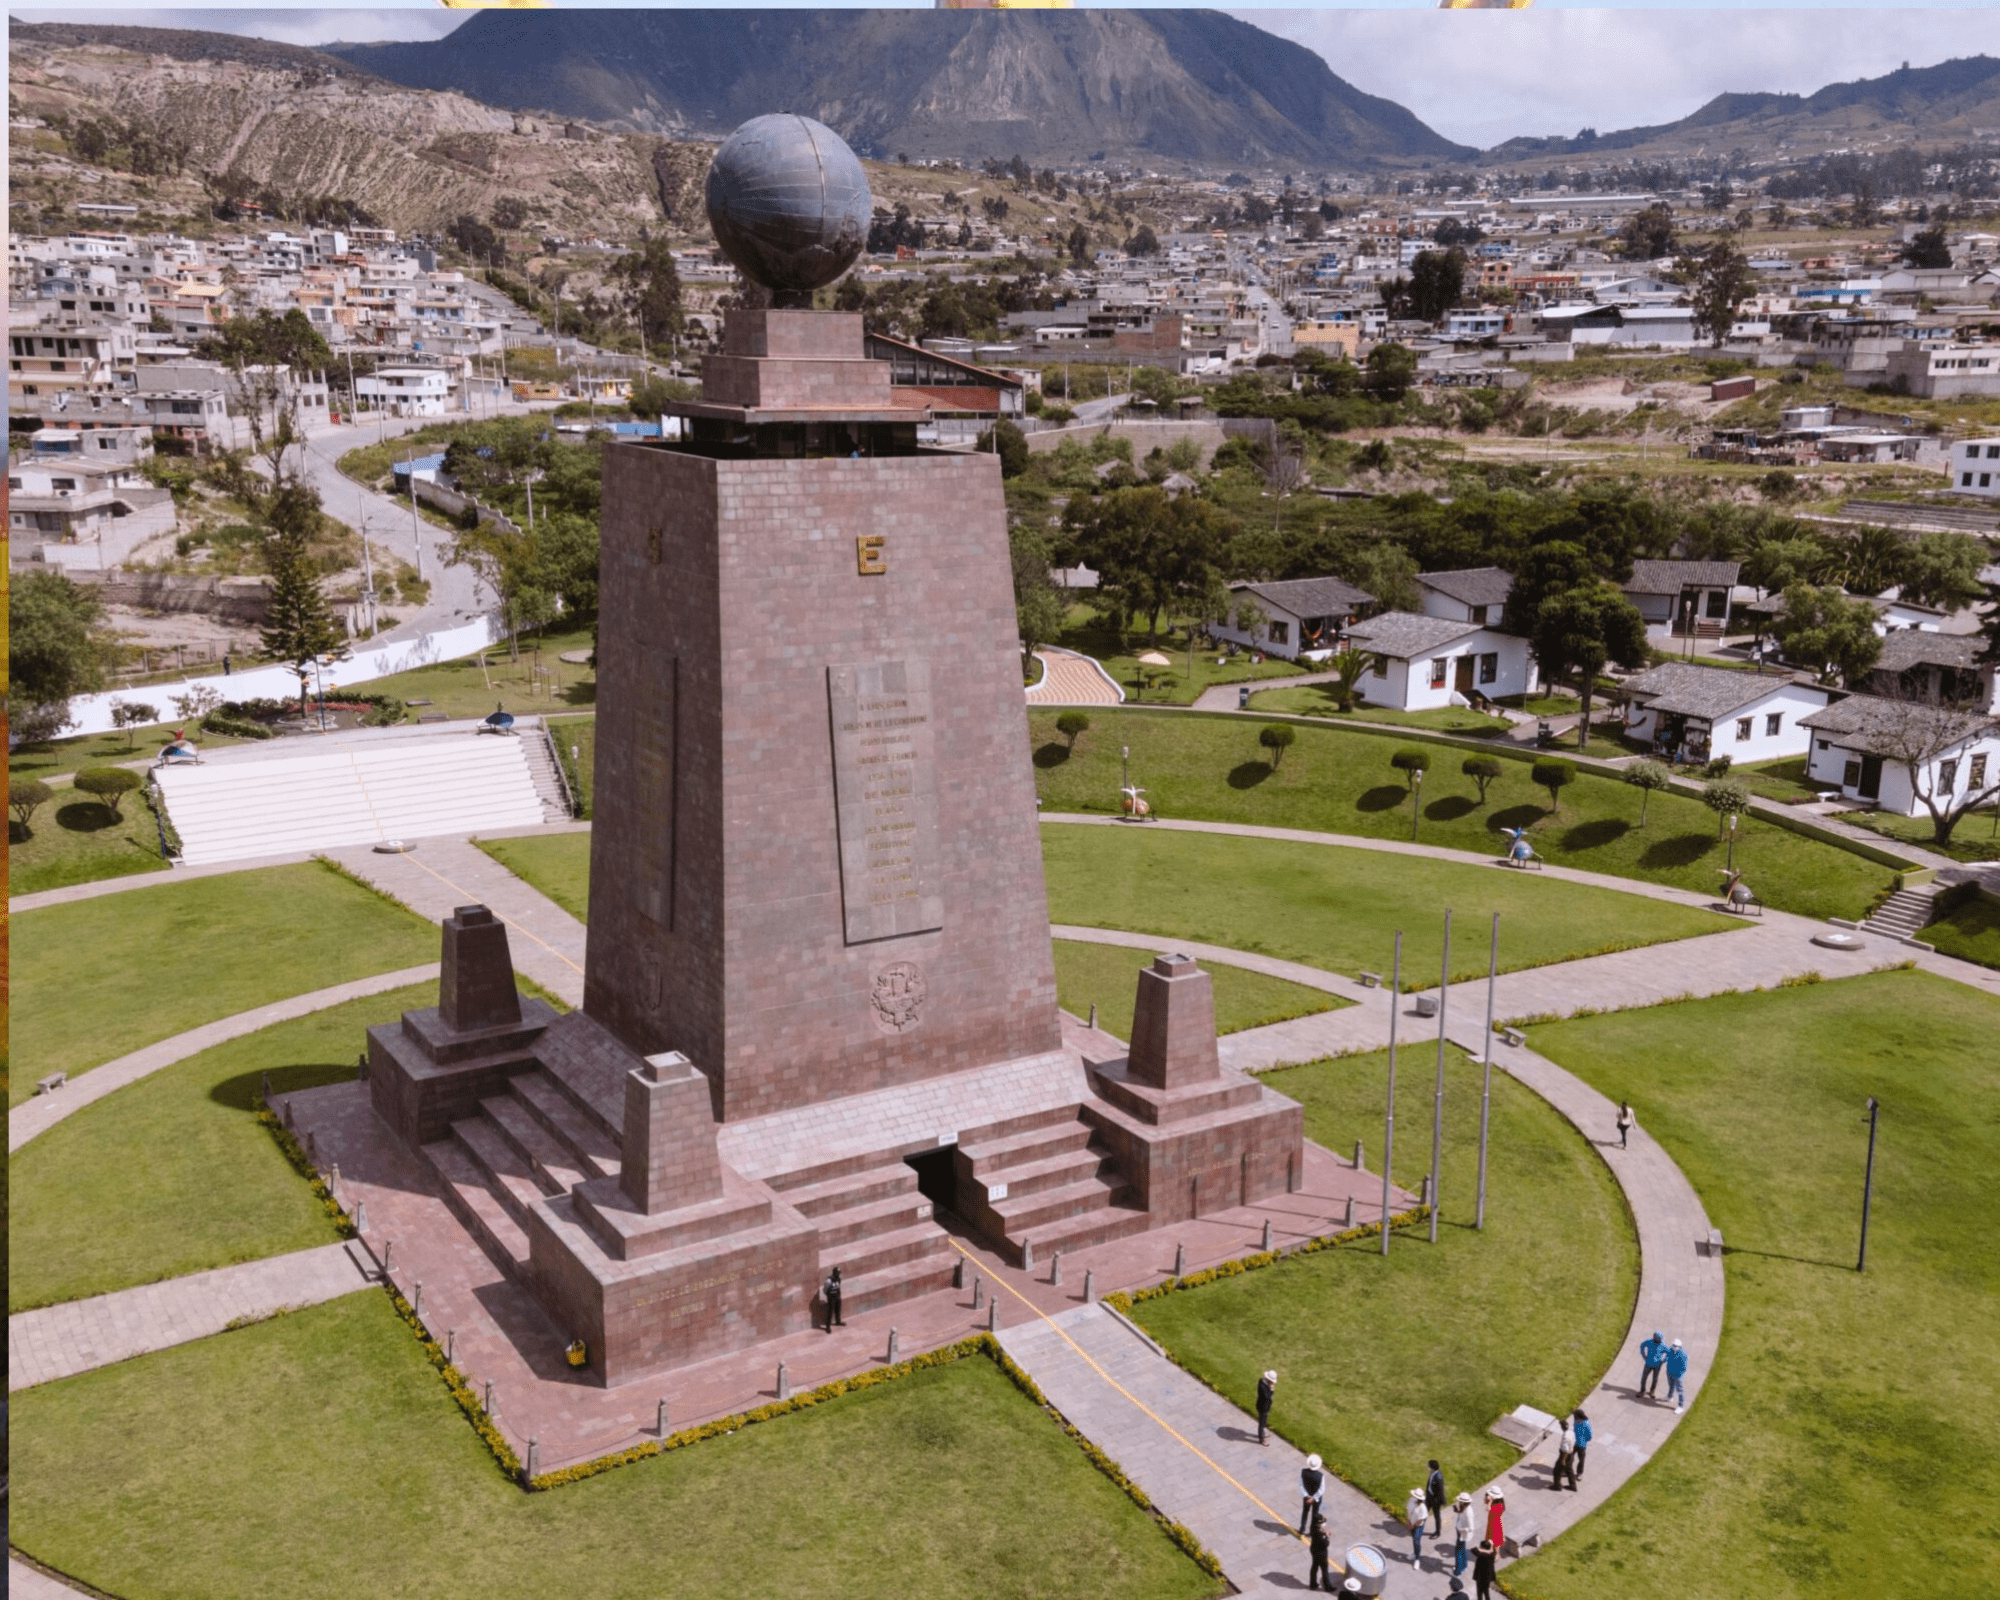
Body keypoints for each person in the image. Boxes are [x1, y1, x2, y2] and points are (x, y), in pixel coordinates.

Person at [1299, 1453, 1326, 1533]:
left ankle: (1302, 1529)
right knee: (1315, 1514)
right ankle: (1312, 1531)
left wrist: (1307, 1496)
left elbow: (1301, 1485)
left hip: (1306, 1497)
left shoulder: (1303, 1472)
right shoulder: (1320, 1475)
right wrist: (1313, 1498)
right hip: (1316, 1499)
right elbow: (1322, 1489)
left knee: (1305, 1512)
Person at [1306, 1510, 1331, 1591]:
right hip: (1321, 1553)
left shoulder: (1313, 1527)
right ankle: (1327, 1587)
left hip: (1314, 1549)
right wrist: (1327, 1536)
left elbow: (1317, 1532)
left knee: (1314, 1566)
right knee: (1324, 1569)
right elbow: (1326, 1544)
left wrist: (1323, 1532)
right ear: (1317, 1523)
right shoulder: (1319, 1534)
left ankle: (1312, 1584)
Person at [1551, 1416, 1577, 1492]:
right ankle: (1573, 1486)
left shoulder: (1565, 1437)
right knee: (1569, 1470)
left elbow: (1565, 1450)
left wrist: (1563, 1460)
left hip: (1565, 1455)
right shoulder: (1571, 1432)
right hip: (1571, 1454)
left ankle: (1557, 1486)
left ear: (1562, 1427)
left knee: (1557, 1470)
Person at [1452, 1492, 1475, 1577]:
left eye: (1460, 1502)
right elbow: (1461, 1513)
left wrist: (1461, 1530)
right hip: (1460, 1532)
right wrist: (1457, 1511)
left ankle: (1458, 1571)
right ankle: (1464, 1565)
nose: (1459, 1503)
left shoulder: (1468, 1513)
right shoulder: (1464, 1508)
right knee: (1462, 1549)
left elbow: (1471, 1528)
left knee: (1458, 1552)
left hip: (1462, 1534)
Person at [1639, 1329, 1668, 1398]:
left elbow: (1669, 1353)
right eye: (1658, 1339)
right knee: (1644, 1377)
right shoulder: (1649, 1342)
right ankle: (1642, 1391)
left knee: (1655, 1379)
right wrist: (1643, 1355)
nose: (1659, 1340)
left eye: (1660, 1339)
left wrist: (1664, 1360)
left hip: (1657, 1365)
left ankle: (1652, 1391)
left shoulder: (1663, 1345)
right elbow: (1642, 1345)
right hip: (1648, 1363)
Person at [1405, 1487, 1428, 1567]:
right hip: (1411, 1523)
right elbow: (1408, 1511)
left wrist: (1413, 1526)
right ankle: (1415, 1554)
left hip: (1418, 1526)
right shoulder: (1411, 1501)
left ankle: (1417, 1559)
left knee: (1416, 1541)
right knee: (1414, 1540)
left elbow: (1421, 1520)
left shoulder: (1423, 1508)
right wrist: (1408, 1522)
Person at [1666, 1337, 1690, 1412]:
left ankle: (1681, 1406)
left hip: (1678, 1375)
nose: (1674, 1347)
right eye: (1673, 1345)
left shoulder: (1683, 1355)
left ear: (1680, 1347)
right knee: (1671, 1385)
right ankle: (1670, 1397)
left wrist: (1678, 1374)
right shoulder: (1670, 1350)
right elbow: (1668, 1358)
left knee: (1680, 1390)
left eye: (1676, 1346)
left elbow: (1684, 1368)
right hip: (1670, 1372)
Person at [1256, 1370, 1277, 1445]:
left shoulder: (1263, 1382)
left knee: (1264, 1421)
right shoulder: (1262, 1386)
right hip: (1262, 1407)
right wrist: (1271, 1390)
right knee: (1261, 1423)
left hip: (1265, 1406)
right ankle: (1261, 1439)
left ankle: (1262, 1434)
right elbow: (1267, 1396)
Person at [1425, 1459, 1446, 1534]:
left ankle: (1438, 1531)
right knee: (1424, 1512)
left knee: (1436, 1516)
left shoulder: (1438, 1477)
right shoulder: (1432, 1472)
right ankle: (1419, 1527)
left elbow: (1440, 1490)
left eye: (1429, 1464)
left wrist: (1442, 1501)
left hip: (1435, 1500)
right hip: (1429, 1497)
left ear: (1432, 1466)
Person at [1572, 1409, 1593, 1481]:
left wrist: (1583, 1440)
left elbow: (1589, 1436)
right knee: (1569, 1457)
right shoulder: (1576, 1422)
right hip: (1574, 1443)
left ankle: (1579, 1473)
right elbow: (1574, 1430)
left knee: (1581, 1460)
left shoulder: (1586, 1424)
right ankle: (1567, 1470)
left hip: (1582, 1445)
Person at [821, 1265, 843, 1332]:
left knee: (838, 1310)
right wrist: (829, 1295)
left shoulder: (839, 1278)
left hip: (837, 1296)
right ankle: (828, 1327)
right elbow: (825, 1289)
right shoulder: (829, 1280)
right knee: (830, 1312)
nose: (838, 1274)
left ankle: (838, 1321)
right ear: (834, 1273)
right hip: (831, 1298)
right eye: (837, 1273)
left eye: (839, 1273)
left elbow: (839, 1286)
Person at [1484, 1489, 1506, 1553]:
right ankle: (1492, 1552)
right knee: (1490, 1539)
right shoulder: (1498, 1502)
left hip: (1496, 1524)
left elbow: (1488, 1509)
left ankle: (1496, 1553)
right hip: (1491, 1523)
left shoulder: (1499, 1505)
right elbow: (1485, 1502)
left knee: (1495, 1542)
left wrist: (1490, 1500)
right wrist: (1487, 1498)